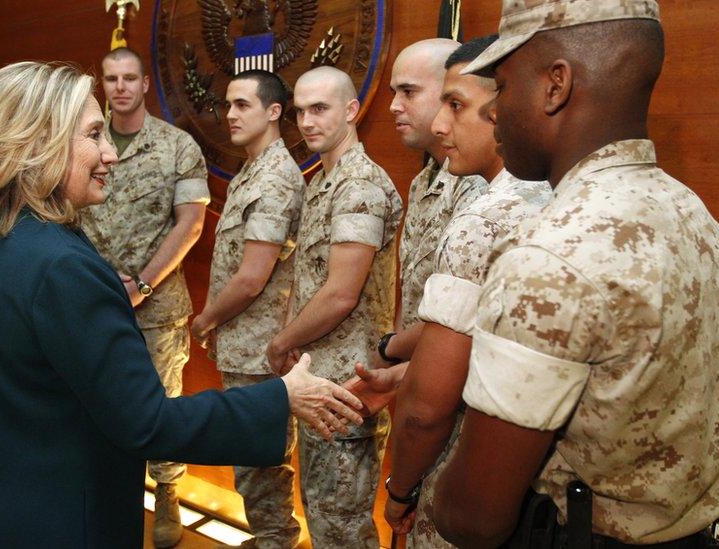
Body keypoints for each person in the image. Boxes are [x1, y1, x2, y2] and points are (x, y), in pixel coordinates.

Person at [0, 61, 363, 549]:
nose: (110, 154)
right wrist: (282, 396)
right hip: (55, 522)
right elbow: (148, 422)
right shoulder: (62, 268)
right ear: (38, 145)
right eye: (95, 134)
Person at [430, 1, 719, 547]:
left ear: (556, 86)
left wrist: (424, 494)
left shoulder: (548, 257)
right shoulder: (692, 210)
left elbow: (475, 515)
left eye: (503, 88)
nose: (496, 113)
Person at [367, 36, 551, 548]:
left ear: (502, 110)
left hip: (463, 461)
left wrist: (398, 491)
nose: (441, 124)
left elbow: (431, 408)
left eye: (456, 105)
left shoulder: (489, 213)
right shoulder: (553, 195)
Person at [266, 66, 403, 548]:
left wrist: (283, 340)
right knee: (324, 520)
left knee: (343, 531)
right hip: (321, 379)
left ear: (350, 111)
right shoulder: (322, 181)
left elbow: (342, 293)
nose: (305, 121)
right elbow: (308, 281)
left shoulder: (359, 184)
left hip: (348, 384)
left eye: (319, 109)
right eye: (300, 110)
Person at [79, 47, 206, 547]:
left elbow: (191, 223)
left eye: (129, 77)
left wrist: (143, 284)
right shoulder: (82, 145)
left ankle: (169, 493)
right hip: (90, 299)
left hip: (156, 306)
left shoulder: (178, 145)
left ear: (146, 83)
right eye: (110, 78)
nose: (120, 87)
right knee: (95, 399)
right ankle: (110, 496)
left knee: (161, 404)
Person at [191, 70, 305, 549]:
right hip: (246, 349)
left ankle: (276, 541)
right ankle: (269, 538)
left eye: (242, 105)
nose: (230, 115)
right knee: (255, 470)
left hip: (261, 354)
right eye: (228, 104)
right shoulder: (253, 170)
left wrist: (206, 318)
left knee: (262, 471)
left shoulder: (276, 178)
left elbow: (253, 276)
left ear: (273, 111)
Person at [369, 38, 488, 371]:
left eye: (408, 92)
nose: (394, 105)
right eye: (394, 92)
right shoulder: (424, 180)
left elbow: (461, 315)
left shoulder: (478, 184)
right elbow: (412, 287)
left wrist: (389, 348)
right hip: (416, 370)